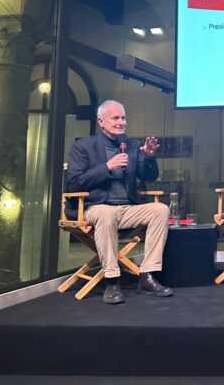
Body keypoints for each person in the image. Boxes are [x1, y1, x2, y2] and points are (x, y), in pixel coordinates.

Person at [66, 100, 173, 305]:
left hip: (127, 208)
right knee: (106, 213)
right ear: (101, 121)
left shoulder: (132, 145)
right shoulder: (83, 147)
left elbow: (149, 176)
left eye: (123, 118)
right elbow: (73, 184)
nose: (121, 122)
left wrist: (148, 157)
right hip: (94, 207)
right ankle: (112, 280)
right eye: (115, 118)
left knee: (160, 210)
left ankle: (148, 275)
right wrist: (106, 167)